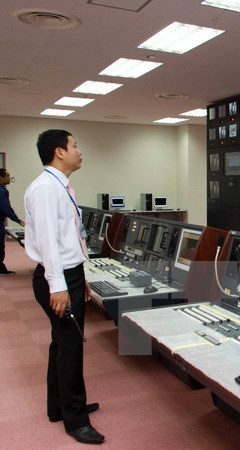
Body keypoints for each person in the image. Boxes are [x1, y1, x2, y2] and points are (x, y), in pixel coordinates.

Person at [24, 130, 104, 444]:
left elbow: (67, 240)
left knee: (61, 343)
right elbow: (48, 243)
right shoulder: (46, 188)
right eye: (75, 145)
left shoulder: (59, 185)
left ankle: (59, 407)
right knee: (70, 347)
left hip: (68, 275)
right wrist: (58, 286)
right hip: (55, 278)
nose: (79, 151)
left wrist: (79, 278)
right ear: (59, 151)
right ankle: (76, 421)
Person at [0, 168, 25, 275]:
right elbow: (6, 208)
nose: (9, 178)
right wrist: (17, 220)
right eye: (7, 176)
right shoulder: (1, 191)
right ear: (1, 177)